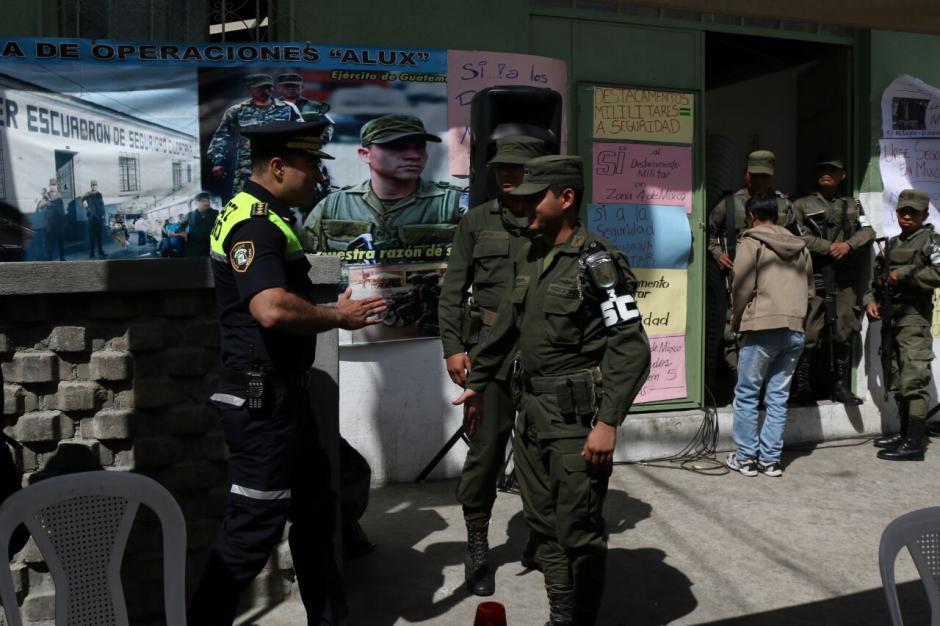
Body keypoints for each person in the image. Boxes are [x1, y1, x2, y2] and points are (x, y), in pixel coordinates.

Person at [188, 120, 386, 625]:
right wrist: (338, 317)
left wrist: (322, 305)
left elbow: (277, 296)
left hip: (282, 398)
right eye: (310, 165)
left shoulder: (263, 214)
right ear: (277, 167)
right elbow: (271, 309)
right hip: (264, 402)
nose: (318, 175)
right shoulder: (254, 222)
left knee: (318, 513)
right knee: (252, 530)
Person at [454, 155, 651, 626]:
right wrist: (479, 382)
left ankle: (577, 616)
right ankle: (561, 612)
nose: (522, 204)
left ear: (565, 198)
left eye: (533, 196)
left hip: (575, 421)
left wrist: (607, 424)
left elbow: (631, 347)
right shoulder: (532, 252)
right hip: (532, 414)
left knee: (577, 531)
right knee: (542, 524)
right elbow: (505, 327)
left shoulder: (599, 263)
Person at [437, 136, 548, 596]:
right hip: (488, 355)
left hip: (543, 354)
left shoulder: (553, 222)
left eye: (518, 167)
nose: (507, 174)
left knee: (543, 452)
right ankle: (478, 545)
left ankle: (541, 538)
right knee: (484, 455)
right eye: (502, 167)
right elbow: (452, 289)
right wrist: (452, 347)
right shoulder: (477, 222)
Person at [724, 194, 813, 478]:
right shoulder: (800, 246)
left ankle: (746, 458)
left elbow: (741, 284)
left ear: (750, 217)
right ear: (777, 216)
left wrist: (737, 319)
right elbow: (810, 289)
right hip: (794, 328)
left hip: (762, 327)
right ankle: (771, 460)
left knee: (748, 393)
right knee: (778, 396)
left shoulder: (751, 242)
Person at [301, 114, 464, 252]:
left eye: (420, 147)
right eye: (397, 147)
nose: (413, 155)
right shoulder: (333, 207)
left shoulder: (454, 206)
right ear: (365, 154)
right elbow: (311, 267)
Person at [706, 150, 795, 386]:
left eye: (764, 176)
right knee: (732, 333)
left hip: (773, 283)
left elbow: (798, 238)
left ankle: (761, 387)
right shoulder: (729, 203)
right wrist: (718, 255)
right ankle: (741, 385)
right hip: (739, 278)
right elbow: (709, 233)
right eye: (755, 175)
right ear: (745, 174)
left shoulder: (783, 204)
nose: (759, 181)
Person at [791, 158, 875, 404]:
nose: (827, 174)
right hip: (812, 278)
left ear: (843, 175)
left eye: (833, 171)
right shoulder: (801, 204)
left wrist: (848, 245)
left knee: (844, 332)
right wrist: (829, 247)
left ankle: (840, 385)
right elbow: (797, 235)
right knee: (809, 334)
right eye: (822, 170)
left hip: (843, 281)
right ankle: (802, 387)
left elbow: (868, 231)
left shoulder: (854, 203)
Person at [865, 189, 940, 461]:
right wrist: (870, 300)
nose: (906, 216)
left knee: (913, 379)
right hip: (890, 319)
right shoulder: (893, 243)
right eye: (902, 211)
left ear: (925, 215)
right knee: (896, 377)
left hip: (913, 320)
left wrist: (906, 273)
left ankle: (915, 442)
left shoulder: (931, 241)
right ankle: (904, 432)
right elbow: (877, 281)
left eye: (913, 212)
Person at [206, 73, 302, 199]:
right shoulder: (237, 110)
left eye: (269, 87)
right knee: (244, 199)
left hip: (279, 164)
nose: (266, 91)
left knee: (279, 199)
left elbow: (301, 132)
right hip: (247, 166)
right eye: (260, 88)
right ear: (249, 89)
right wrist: (218, 161)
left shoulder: (287, 109)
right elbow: (222, 135)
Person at [183, 191, 219, 257]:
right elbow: (181, 227)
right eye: (202, 201)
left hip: (211, 248)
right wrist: (183, 232)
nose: (206, 203)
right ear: (196, 203)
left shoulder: (216, 214)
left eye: (208, 200)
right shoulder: (190, 215)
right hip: (193, 248)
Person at [37, 179, 66, 261]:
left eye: (54, 185)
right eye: (51, 185)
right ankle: (49, 259)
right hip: (51, 223)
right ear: (49, 186)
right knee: (50, 242)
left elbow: (62, 208)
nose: (53, 186)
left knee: (61, 241)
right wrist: (46, 203)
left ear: (57, 186)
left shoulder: (59, 195)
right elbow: (40, 206)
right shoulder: (46, 195)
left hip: (60, 222)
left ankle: (62, 257)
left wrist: (64, 220)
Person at [81, 180, 107, 259]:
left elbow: (102, 204)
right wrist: (87, 209)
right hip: (91, 218)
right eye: (93, 185)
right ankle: (92, 252)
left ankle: (100, 251)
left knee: (99, 235)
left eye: (95, 185)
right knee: (91, 236)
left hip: (99, 217)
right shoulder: (87, 194)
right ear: (91, 186)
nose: (94, 186)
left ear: (97, 186)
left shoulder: (99, 194)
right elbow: (82, 201)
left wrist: (103, 214)